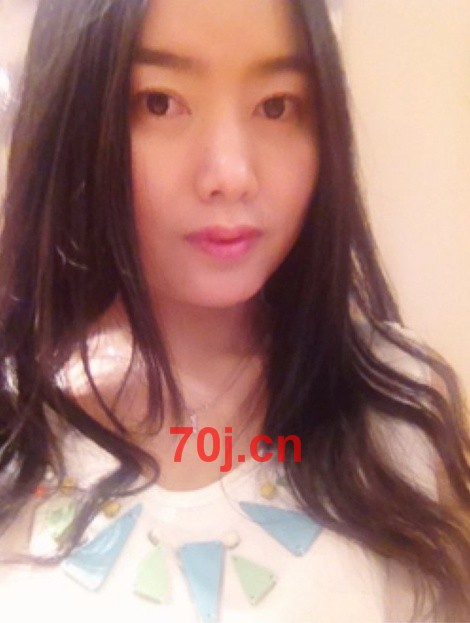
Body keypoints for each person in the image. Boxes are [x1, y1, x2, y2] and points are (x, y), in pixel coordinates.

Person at [0, 0, 469, 621]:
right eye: (159, 102)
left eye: (276, 106)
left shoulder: (400, 412)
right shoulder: (18, 424)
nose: (232, 174)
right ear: (73, 117)